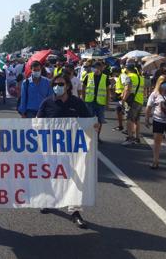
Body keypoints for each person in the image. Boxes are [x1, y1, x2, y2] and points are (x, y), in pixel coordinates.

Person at [37, 74, 91, 229]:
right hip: (52, 147)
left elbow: (87, 120)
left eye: (61, 84)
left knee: (75, 178)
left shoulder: (77, 102)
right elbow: (37, 123)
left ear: (68, 85)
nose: (57, 87)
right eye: (55, 84)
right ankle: (47, 201)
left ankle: (75, 212)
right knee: (51, 174)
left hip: (73, 148)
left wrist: (93, 127)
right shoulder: (47, 103)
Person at [82, 61, 109, 142]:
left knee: (99, 121)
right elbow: (83, 88)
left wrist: (107, 103)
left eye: (98, 67)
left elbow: (108, 91)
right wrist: (83, 99)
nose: (96, 69)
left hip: (100, 103)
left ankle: (97, 136)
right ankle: (90, 136)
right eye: (94, 67)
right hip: (89, 102)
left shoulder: (105, 77)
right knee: (89, 120)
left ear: (101, 68)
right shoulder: (88, 76)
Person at [122, 64, 145, 146]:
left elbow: (128, 89)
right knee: (137, 120)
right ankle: (137, 138)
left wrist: (123, 100)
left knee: (129, 119)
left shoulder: (129, 77)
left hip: (132, 101)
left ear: (128, 69)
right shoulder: (141, 78)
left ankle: (130, 138)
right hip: (140, 100)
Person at [111, 66, 126, 132]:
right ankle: (121, 126)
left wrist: (123, 95)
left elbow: (125, 85)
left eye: (113, 73)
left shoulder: (122, 75)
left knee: (122, 112)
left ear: (116, 72)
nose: (113, 74)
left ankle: (124, 128)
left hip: (122, 96)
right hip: (120, 95)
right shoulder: (121, 75)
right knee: (119, 111)